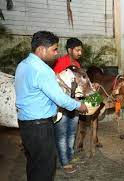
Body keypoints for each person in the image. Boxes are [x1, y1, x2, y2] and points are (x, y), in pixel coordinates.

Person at [15, 31, 88, 181]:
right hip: (40, 126)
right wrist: (79, 105)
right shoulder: (43, 70)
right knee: (45, 168)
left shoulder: (23, 65)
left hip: (25, 124)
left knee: (34, 163)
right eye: (54, 49)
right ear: (41, 50)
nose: (56, 53)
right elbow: (60, 98)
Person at [52, 38, 83, 173]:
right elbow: (55, 84)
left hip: (74, 105)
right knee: (62, 135)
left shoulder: (77, 64)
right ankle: (65, 162)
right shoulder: (59, 63)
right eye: (77, 50)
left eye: (81, 50)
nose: (80, 52)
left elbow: (80, 84)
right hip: (62, 106)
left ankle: (69, 157)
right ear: (70, 50)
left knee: (71, 133)